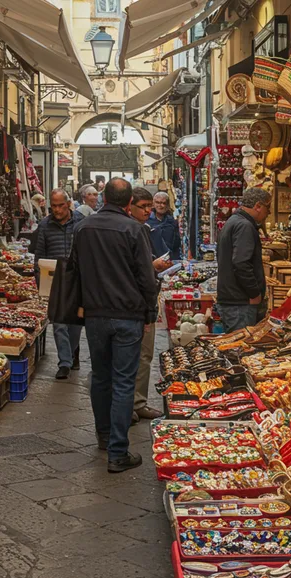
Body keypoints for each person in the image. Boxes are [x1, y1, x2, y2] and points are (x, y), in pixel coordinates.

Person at [67, 178, 163, 473]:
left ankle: (104, 435)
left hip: (96, 315)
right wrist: (149, 311)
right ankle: (118, 451)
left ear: (103, 198)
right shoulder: (133, 229)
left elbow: (74, 268)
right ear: (127, 202)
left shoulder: (83, 227)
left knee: (100, 377)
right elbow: (147, 279)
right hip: (128, 315)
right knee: (123, 381)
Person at [32, 189, 86, 379]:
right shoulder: (45, 225)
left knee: (76, 322)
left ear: (68, 204)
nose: (56, 210)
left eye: (60, 205)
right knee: (59, 323)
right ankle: (64, 362)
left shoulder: (80, 221)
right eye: (53, 206)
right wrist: (41, 284)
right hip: (55, 279)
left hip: (77, 278)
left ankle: (73, 352)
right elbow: (39, 255)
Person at [127, 187, 169, 422]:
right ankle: (130, 405)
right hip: (135, 303)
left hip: (139, 302)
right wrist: (152, 267)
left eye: (149, 207)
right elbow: (134, 270)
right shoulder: (132, 230)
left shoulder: (144, 229)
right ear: (129, 206)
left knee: (143, 355)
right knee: (135, 355)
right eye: (143, 207)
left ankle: (137, 402)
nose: (147, 211)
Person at [216, 186, 269, 332]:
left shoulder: (234, 221)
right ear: (258, 206)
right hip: (240, 302)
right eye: (267, 207)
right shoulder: (244, 226)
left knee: (235, 345)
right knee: (240, 347)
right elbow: (241, 263)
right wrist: (254, 293)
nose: (268, 213)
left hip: (233, 299)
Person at [147, 191, 183, 261]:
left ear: (167, 205)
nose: (161, 206)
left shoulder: (172, 221)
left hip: (169, 260)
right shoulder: (147, 221)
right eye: (158, 202)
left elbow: (176, 244)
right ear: (153, 204)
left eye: (164, 203)